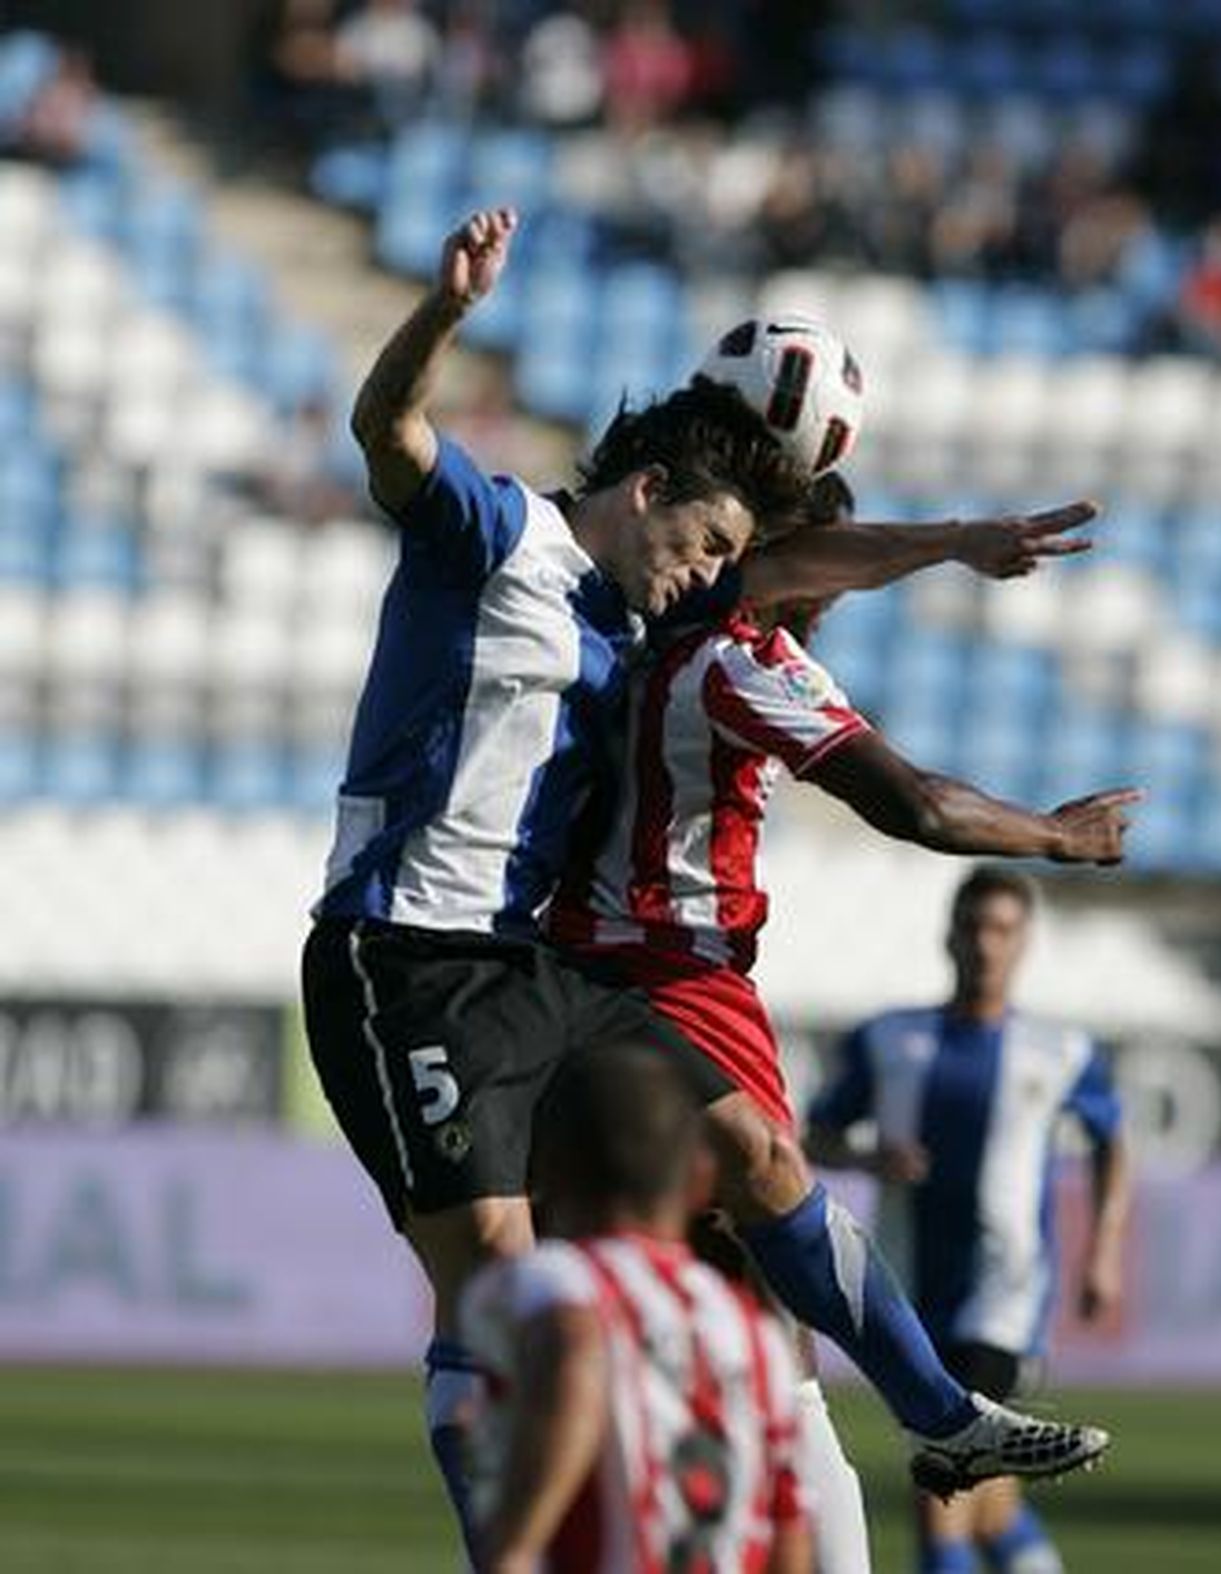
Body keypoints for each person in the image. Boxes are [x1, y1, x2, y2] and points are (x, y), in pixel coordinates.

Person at [303, 205, 1103, 1560]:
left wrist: (957, 538)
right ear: (650, 487)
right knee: (499, 1281)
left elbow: (793, 566)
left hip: (544, 965)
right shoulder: (494, 534)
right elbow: (386, 435)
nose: (718, 573)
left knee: (758, 1150)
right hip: (404, 957)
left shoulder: (645, 608)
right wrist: (446, 313)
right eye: (708, 540)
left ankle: (939, 1410)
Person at [548, 470, 1136, 1506]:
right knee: (765, 1188)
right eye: (828, 568)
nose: (835, 599)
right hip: (657, 966)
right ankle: (935, 1411)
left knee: (751, 1298)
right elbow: (921, 805)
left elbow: (824, 557)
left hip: (665, 971)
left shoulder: (680, 617)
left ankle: (774, 1483)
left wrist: (954, 539)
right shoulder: (739, 658)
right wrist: (1059, 832)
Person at [807, 866, 1133, 1573]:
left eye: (1004, 931)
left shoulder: (1061, 1050)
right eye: (975, 927)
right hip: (911, 1297)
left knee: (942, 1485)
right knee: (993, 1507)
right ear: (949, 935)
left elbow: (1113, 1141)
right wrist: (868, 1157)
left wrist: (1103, 1250)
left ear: (1024, 944)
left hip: (1004, 1299)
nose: (987, 945)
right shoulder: (890, 1039)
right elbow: (813, 1137)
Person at [460, 1038, 812, 1573]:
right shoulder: (756, 1333)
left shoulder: (553, 1281)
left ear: (546, 1171)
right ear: (700, 1181)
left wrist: (513, 1552)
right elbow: (789, 1534)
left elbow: (576, 1348)